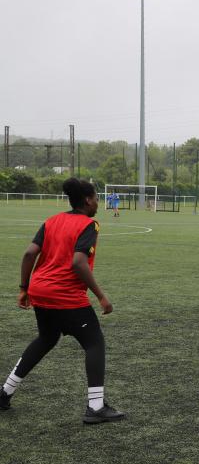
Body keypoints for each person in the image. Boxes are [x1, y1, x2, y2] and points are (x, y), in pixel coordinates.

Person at [0, 178, 125, 424]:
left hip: (40, 290)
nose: (98, 203)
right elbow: (78, 263)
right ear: (88, 200)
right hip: (65, 294)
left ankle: (4, 393)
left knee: (47, 338)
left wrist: (24, 288)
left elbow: (28, 254)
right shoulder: (89, 224)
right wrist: (101, 296)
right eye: (97, 198)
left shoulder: (51, 220)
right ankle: (96, 407)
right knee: (94, 343)